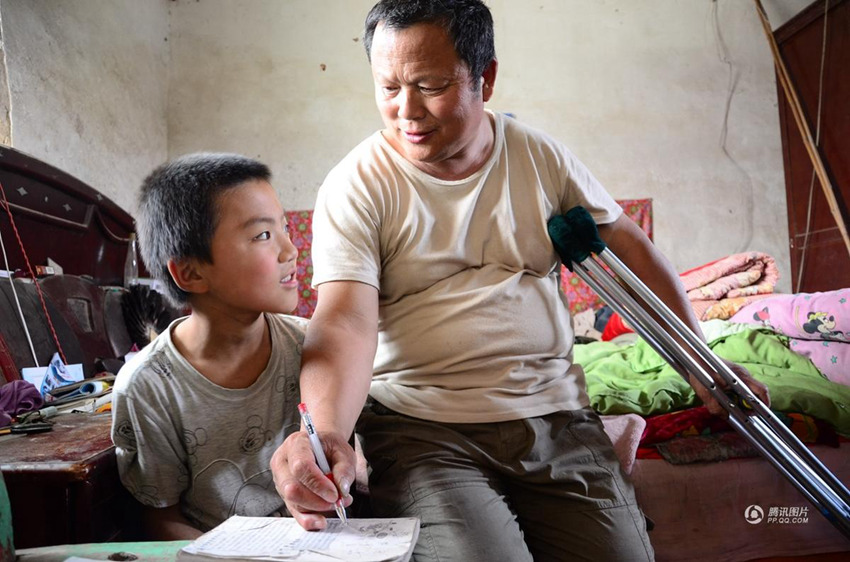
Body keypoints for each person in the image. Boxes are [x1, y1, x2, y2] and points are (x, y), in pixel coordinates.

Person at [271, 1, 770, 560]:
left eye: (430, 85)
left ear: (485, 77)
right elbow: (344, 319)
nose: (406, 111)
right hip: (423, 429)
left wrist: (701, 364)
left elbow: (631, 248)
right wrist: (329, 432)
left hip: (555, 418)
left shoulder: (538, 157)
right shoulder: (357, 184)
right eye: (388, 88)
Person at [111, 153, 306, 540]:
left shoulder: (310, 344)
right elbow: (162, 521)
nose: (291, 250)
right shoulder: (148, 387)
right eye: (263, 235)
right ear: (191, 272)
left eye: (284, 228)